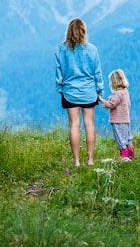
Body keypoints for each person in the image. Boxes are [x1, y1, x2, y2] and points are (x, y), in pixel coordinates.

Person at [55, 18, 104, 167]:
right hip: (89, 92)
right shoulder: (92, 50)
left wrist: (60, 88)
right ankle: (90, 160)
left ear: (69, 31)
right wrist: (100, 91)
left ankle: (76, 161)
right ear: (83, 31)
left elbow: (59, 73)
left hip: (70, 92)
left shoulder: (60, 49)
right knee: (89, 124)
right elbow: (97, 73)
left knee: (74, 125)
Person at [98, 69, 134, 162]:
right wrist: (111, 98)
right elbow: (127, 104)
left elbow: (111, 105)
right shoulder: (125, 92)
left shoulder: (118, 94)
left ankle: (124, 158)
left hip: (118, 121)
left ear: (114, 82)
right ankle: (131, 155)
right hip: (126, 119)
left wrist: (101, 100)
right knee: (128, 138)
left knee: (121, 140)